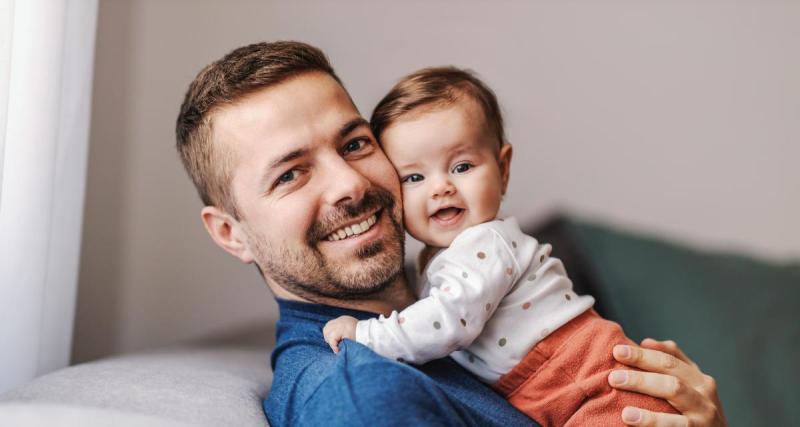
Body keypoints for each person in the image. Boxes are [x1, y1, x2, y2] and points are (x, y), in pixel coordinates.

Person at [174, 40, 726, 426]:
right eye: (291, 174)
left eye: (355, 144)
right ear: (231, 234)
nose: (348, 183)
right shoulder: (362, 395)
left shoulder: (463, 306)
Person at [322, 67, 680, 426]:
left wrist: (367, 334)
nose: (440, 187)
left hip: (590, 381)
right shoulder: (440, 258)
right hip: (558, 387)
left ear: (502, 168)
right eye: (414, 177)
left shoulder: (487, 243)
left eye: (461, 166)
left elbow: (448, 322)